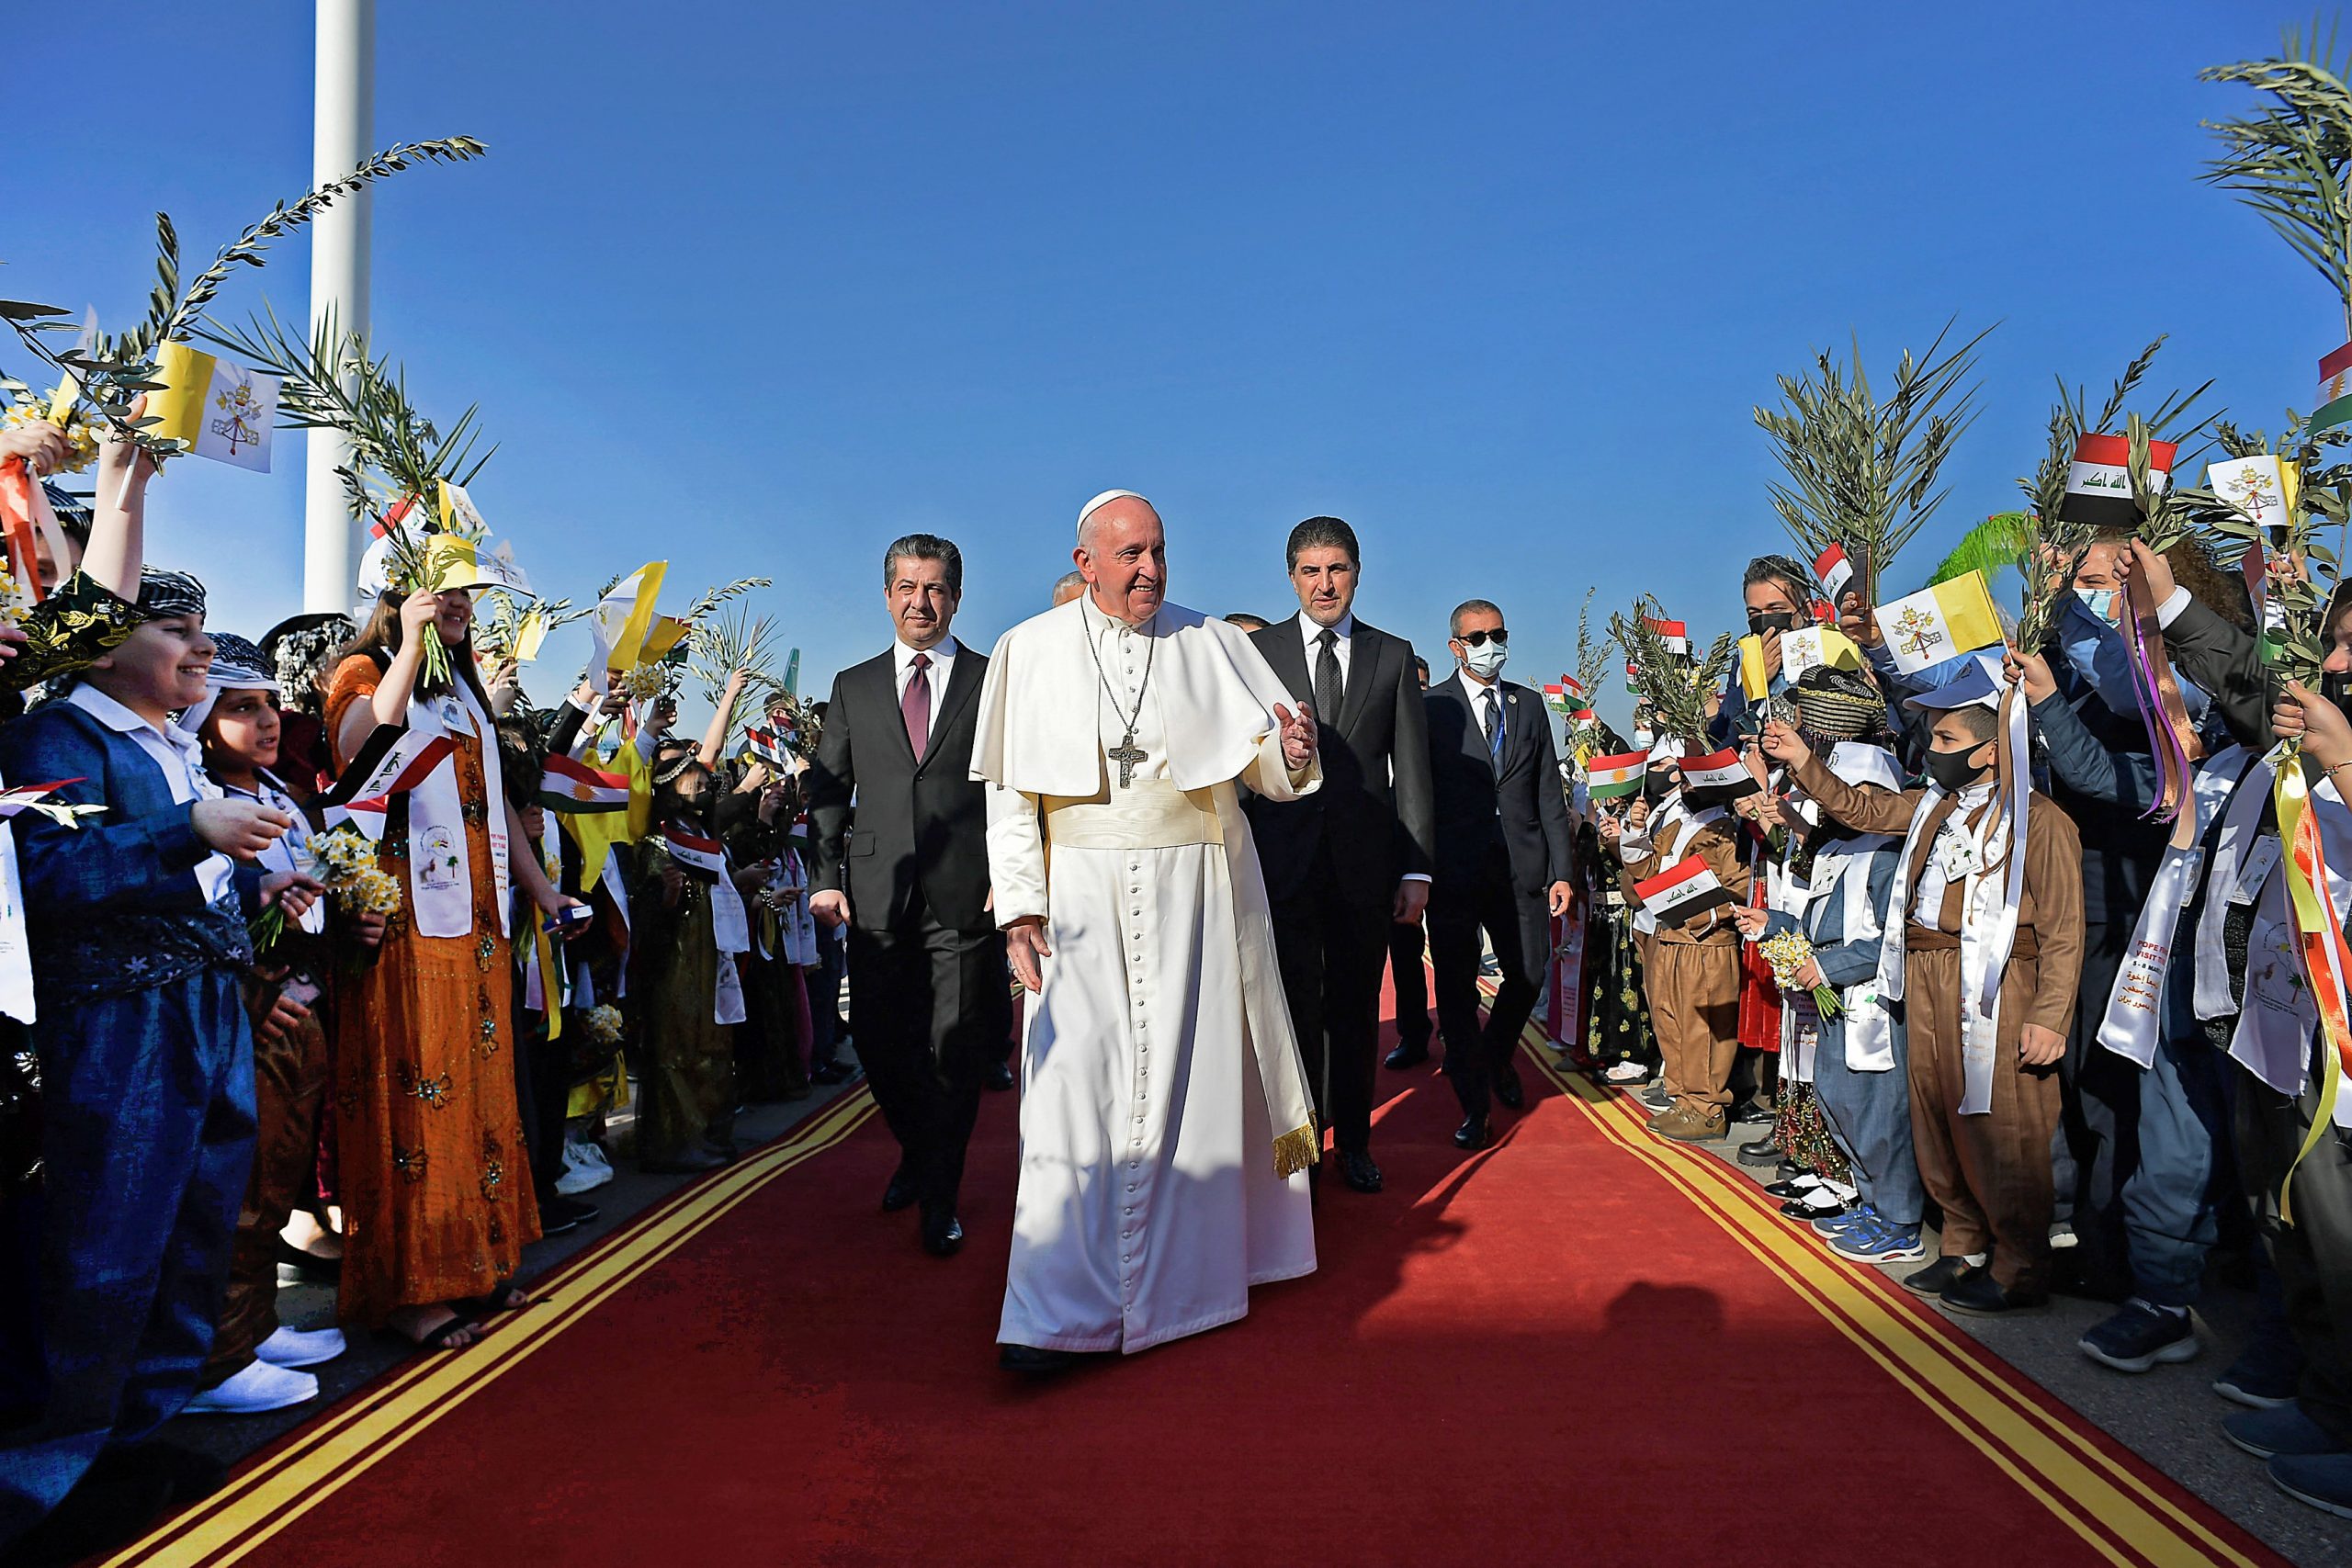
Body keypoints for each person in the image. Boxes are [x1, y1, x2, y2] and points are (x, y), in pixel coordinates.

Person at [0, 571, 311, 1563]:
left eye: (204, 631)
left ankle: (129, 1443)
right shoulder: (55, 739)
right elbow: (44, 872)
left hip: (205, 1017)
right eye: (175, 630)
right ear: (99, 649)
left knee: (190, 1237)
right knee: (102, 1251)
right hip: (117, 1032)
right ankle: (40, 1487)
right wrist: (187, 830)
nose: (203, 650)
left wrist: (260, 880)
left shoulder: (174, 745)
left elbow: (194, 882)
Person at [974, 489, 1322, 1372]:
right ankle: (1053, 1313)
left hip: (1196, 888)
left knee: (1191, 1084)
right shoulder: (1028, 648)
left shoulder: (1213, 642)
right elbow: (1010, 794)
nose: (1151, 570)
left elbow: (1271, 772)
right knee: (1068, 1095)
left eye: (1159, 551)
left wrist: (1293, 752)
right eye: (1130, 554)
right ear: (1086, 561)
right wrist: (1018, 901)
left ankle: (1188, 1289)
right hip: (1078, 897)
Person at [1762, 656, 2085, 1315]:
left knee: (2003, 1122)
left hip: (1998, 979)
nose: (1932, 751)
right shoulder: (1932, 806)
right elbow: (1861, 805)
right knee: (1937, 1115)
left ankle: (2019, 1261)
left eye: (1946, 741)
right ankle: (1961, 1244)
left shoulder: (2041, 820)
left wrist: (2050, 1014)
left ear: (1992, 750)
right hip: (1927, 972)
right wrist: (1802, 760)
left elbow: (2064, 927)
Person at [324, 585, 587, 1351]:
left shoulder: (466, 694)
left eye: (468, 592)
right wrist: (408, 643)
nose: (459, 602)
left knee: (476, 1091)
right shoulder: (364, 670)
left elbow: (494, 799)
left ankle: (477, 1260)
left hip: (477, 922)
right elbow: (357, 747)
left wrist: (540, 888)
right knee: (418, 1089)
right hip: (407, 920)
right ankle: (410, 1289)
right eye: (443, 587)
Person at [181, 636, 371, 1416]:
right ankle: (212, 1357)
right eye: (240, 706)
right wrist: (258, 986)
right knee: (236, 1188)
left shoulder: (285, 795)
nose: (265, 721)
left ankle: (252, 1326)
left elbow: (311, 892)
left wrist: (354, 926)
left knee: (278, 1176)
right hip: (249, 1012)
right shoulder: (195, 797)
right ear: (199, 716)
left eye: (268, 704)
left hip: (301, 1002)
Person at [808, 534, 1005, 1258]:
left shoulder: (993, 678)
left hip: (966, 893)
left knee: (955, 1049)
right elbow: (828, 790)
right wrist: (825, 879)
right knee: (878, 1043)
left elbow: (1015, 784)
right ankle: (921, 1151)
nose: (921, 602)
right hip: (875, 894)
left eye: (935, 589)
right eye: (908, 588)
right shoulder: (853, 686)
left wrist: (1012, 875)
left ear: (956, 596)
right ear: (887, 594)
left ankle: (941, 1196)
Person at [1243, 517, 1433, 1194]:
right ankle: (1298, 1145)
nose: (1325, 584)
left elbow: (1410, 770)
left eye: (1338, 569)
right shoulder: (1255, 651)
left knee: (1354, 1011)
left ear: (1357, 571)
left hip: (1363, 867)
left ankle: (1353, 1140)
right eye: (1311, 571)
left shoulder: (1391, 653)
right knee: (1290, 1010)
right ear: (1291, 576)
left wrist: (1415, 869)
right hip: (1280, 861)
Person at [1421, 599, 1574, 1149]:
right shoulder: (1430, 707)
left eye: (1498, 634)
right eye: (1478, 636)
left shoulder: (1528, 705)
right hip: (1455, 871)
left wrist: (1563, 870)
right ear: (1456, 646)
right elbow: (1418, 795)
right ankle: (1474, 1104)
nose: (1491, 645)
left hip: (1522, 867)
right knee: (1458, 992)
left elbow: (1548, 792)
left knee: (1530, 973)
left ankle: (1495, 1054)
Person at [1386, 654, 1438, 1071]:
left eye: (1423, 685)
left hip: (1442, 862)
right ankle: (1413, 1032)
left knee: (1457, 953)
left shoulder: (1442, 733)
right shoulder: (1382, 736)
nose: (1417, 693)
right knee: (1405, 954)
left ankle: (1459, 1033)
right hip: (1392, 863)